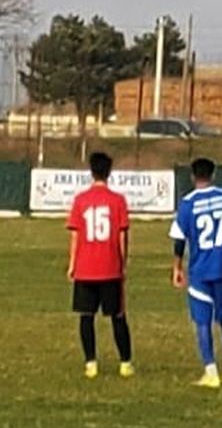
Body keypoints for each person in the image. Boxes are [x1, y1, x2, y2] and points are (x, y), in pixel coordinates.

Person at [170, 157, 222, 388]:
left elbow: (179, 241)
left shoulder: (187, 204)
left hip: (200, 271)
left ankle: (211, 371)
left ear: (193, 177)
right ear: (213, 175)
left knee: (203, 322)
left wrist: (176, 267)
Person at [66, 151, 134, 379]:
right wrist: (122, 265)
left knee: (86, 316)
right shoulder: (118, 201)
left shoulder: (80, 200)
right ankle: (125, 362)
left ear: (91, 171)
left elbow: (75, 236)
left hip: (85, 268)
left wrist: (72, 264)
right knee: (117, 316)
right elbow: (121, 237)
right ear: (109, 172)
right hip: (110, 267)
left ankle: (90, 363)